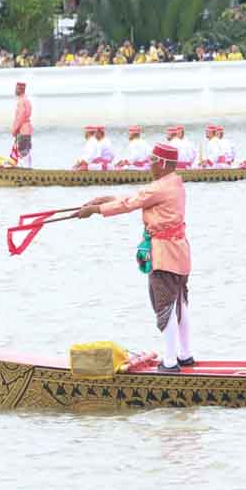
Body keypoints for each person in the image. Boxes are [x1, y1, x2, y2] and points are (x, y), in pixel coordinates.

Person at [76, 143, 193, 372]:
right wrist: (106, 199)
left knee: (165, 306)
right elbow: (140, 198)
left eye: (151, 160)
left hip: (164, 254)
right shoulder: (175, 182)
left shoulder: (160, 187)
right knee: (180, 302)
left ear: (161, 163)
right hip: (180, 252)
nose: (148, 164)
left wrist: (95, 211)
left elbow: (131, 203)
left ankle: (170, 363)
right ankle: (185, 354)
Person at [10, 82, 33, 168]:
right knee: (27, 151)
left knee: (22, 151)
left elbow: (20, 117)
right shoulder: (27, 100)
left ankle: (25, 169)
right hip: (28, 129)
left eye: (16, 88)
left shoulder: (21, 101)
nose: (15, 90)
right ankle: (29, 168)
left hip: (23, 129)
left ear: (19, 89)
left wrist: (14, 130)